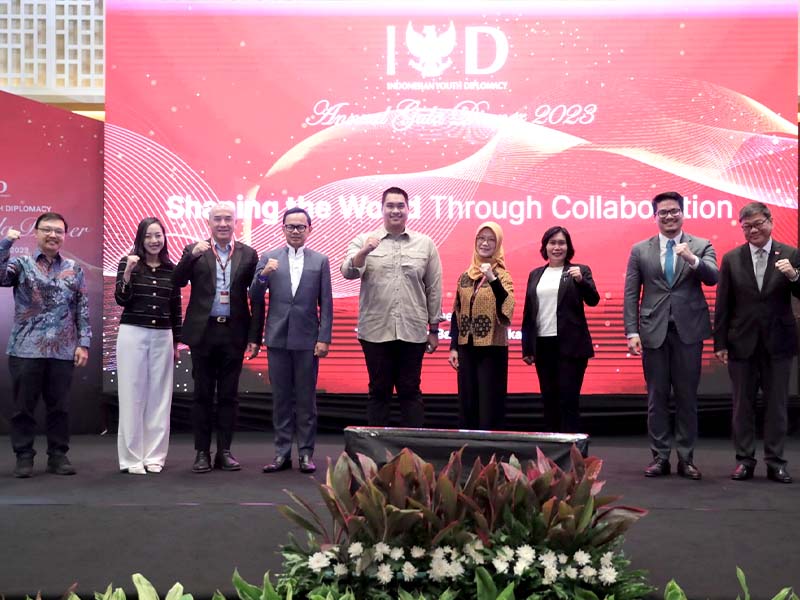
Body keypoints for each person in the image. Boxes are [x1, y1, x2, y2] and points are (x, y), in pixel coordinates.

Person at [623, 191, 718, 480]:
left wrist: (691, 258)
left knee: (687, 398)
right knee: (657, 397)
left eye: (674, 211)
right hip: (653, 332)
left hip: (689, 331)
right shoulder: (640, 250)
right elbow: (631, 293)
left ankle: (686, 459)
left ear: (683, 213)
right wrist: (631, 331)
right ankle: (660, 457)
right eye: (663, 212)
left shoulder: (701, 245)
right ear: (655, 216)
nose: (669, 216)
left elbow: (713, 277)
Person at [341, 186, 442, 427]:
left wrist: (434, 330)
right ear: (382, 209)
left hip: (412, 330)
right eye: (390, 206)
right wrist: (365, 251)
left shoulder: (425, 244)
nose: (395, 210)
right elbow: (348, 272)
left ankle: (413, 448)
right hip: (375, 331)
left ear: (408, 209)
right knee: (379, 391)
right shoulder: (363, 240)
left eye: (400, 206)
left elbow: (434, 287)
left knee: (410, 391)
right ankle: (376, 450)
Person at [714, 202, 800, 484]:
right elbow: (723, 304)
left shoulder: (790, 254)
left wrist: (794, 275)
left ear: (770, 221)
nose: (753, 230)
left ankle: (776, 462)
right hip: (742, 343)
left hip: (779, 343)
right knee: (742, 406)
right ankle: (744, 461)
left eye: (758, 224)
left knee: (777, 406)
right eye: (747, 226)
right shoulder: (732, 258)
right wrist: (720, 343)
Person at [0, 213, 90, 477]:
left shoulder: (74, 269)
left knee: (59, 408)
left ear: (64, 236)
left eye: (58, 231)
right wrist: (5, 242)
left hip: (63, 350)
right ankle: (24, 456)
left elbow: (82, 308)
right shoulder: (21, 264)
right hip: (26, 349)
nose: (53, 235)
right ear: (36, 233)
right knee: (23, 408)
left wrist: (83, 343)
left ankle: (58, 456)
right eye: (47, 230)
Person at [173, 201, 260, 473]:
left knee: (228, 396)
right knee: (202, 394)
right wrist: (190, 257)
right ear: (208, 223)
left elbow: (256, 296)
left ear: (235, 223)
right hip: (204, 332)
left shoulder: (248, 254)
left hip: (234, 332)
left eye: (227, 219)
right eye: (217, 219)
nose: (223, 224)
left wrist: (255, 336)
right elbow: (177, 281)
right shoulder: (195, 250)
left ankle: (225, 451)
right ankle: (202, 452)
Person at [250, 207, 333, 474]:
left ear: (310, 229)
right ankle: (282, 454)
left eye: (300, 227)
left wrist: (324, 338)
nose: (295, 231)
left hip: (308, 340)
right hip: (277, 338)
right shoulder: (269, 257)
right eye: (290, 226)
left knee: (306, 401)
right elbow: (254, 295)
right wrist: (264, 275)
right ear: (283, 228)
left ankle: (306, 454)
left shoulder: (320, 260)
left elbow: (326, 303)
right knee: (281, 399)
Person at [114, 217, 182, 475]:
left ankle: (154, 456)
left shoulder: (171, 269)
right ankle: (131, 458)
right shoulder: (128, 262)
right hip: (133, 333)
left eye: (158, 235)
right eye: (148, 236)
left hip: (163, 335)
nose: (154, 241)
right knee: (131, 394)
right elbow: (121, 299)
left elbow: (175, 307)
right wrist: (128, 273)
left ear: (164, 238)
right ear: (140, 239)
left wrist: (177, 341)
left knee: (160, 397)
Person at [520, 226, 599, 433]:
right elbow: (529, 312)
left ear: (568, 247)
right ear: (545, 247)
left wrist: (581, 281)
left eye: (561, 243)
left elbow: (593, 300)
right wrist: (527, 347)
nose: (557, 247)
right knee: (549, 400)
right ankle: (551, 449)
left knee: (568, 400)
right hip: (543, 345)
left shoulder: (579, 270)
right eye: (552, 243)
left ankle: (571, 448)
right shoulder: (535, 274)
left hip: (571, 346)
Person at [447, 221, 514, 430]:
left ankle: (490, 446)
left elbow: (508, 305)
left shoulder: (503, 275)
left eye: (491, 239)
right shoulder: (465, 276)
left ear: (498, 244)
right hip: (466, 347)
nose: (485, 243)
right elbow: (457, 311)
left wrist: (492, 278)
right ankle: (468, 445)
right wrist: (453, 347)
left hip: (492, 348)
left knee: (489, 403)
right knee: (467, 401)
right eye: (481, 239)